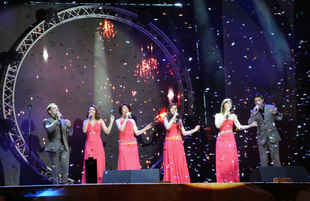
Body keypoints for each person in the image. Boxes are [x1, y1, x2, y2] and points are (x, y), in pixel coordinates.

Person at [215, 98, 257, 183]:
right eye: (227, 103)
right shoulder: (218, 115)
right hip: (221, 139)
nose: (229, 104)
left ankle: (232, 180)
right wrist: (224, 116)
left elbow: (240, 127)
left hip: (230, 139)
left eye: (230, 103)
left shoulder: (233, 116)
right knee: (222, 161)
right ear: (224, 105)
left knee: (231, 160)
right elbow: (217, 126)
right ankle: (222, 181)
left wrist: (251, 125)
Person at [163, 103, 200, 183]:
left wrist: (194, 130)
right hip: (170, 142)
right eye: (172, 108)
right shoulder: (166, 118)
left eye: (175, 108)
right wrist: (173, 118)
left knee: (179, 161)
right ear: (169, 110)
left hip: (178, 143)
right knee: (171, 162)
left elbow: (184, 132)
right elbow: (167, 127)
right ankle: (172, 180)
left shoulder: (179, 120)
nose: (174, 110)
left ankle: (181, 180)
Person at [81, 104, 114, 184]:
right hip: (89, 144)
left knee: (98, 162)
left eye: (93, 110)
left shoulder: (100, 121)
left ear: (96, 111)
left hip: (98, 144)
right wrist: (88, 120)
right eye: (90, 110)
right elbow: (84, 131)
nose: (91, 111)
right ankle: (89, 180)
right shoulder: (85, 121)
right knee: (89, 161)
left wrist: (111, 122)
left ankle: (99, 180)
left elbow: (107, 131)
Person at [248, 93, 283, 166]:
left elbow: (280, 118)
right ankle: (265, 176)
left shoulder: (271, 107)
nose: (257, 102)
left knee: (276, 158)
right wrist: (254, 113)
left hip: (272, 136)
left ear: (263, 100)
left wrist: (276, 113)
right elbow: (249, 122)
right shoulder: (253, 111)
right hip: (262, 137)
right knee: (263, 160)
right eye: (255, 101)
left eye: (259, 100)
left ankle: (278, 175)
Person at [115, 103, 152, 170]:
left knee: (133, 164)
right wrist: (126, 118)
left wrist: (145, 128)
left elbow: (137, 133)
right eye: (124, 108)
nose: (126, 110)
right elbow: (121, 129)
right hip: (124, 146)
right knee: (125, 164)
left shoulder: (132, 121)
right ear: (121, 110)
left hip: (133, 145)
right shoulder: (118, 121)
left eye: (127, 108)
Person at [43, 103, 73, 184]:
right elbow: (49, 129)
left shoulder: (63, 121)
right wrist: (57, 120)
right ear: (49, 111)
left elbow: (69, 133)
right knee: (55, 168)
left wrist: (69, 127)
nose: (57, 109)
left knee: (65, 166)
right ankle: (56, 186)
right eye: (54, 108)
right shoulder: (47, 121)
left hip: (64, 147)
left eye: (57, 107)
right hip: (54, 148)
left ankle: (65, 184)